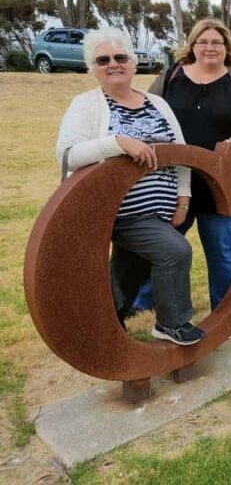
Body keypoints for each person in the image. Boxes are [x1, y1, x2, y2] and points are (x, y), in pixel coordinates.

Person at [55, 27, 204, 345]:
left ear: (133, 63)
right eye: (103, 59)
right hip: (114, 212)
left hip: (157, 211)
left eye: (121, 57)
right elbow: (68, 156)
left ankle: (104, 327)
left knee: (128, 270)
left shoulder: (157, 103)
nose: (113, 64)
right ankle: (172, 323)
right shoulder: (85, 105)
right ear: (92, 67)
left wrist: (182, 199)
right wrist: (118, 143)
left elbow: (180, 152)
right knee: (174, 251)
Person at [133, 18, 231, 312]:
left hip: (224, 183)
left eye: (217, 42)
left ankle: (225, 311)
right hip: (172, 182)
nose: (210, 47)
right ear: (192, 45)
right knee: (162, 245)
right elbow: (146, 114)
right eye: (203, 41)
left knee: (223, 251)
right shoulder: (170, 77)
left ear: (227, 47)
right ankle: (142, 303)